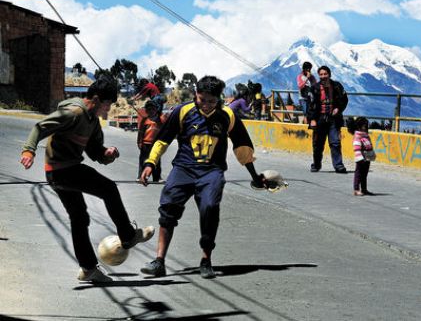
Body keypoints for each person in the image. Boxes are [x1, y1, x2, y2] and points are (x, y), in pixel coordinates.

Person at [20, 75, 155, 282]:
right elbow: (40, 127)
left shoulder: (93, 121)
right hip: (61, 171)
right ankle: (128, 236)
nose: (108, 110)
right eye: (108, 105)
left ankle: (88, 268)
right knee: (108, 189)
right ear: (98, 99)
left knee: (79, 218)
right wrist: (29, 150)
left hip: (64, 171)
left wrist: (107, 154)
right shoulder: (73, 112)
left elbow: (95, 152)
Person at [139, 75, 268, 279]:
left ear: (220, 98)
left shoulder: (227, 116)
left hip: (212, 172)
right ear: (195, 95)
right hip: (183, 169)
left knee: (209, 208)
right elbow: (163, 140)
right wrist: (150, 163)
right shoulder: (182, 111)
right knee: (168, 208)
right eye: (201, 99)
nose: (206, 105)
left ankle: (206, 259)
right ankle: (159, 261)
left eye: (211, 101)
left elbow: (242, 147)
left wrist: (254, 176)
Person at [308, 65, 348, 173]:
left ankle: (338, 165)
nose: (323, 76)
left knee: (335, 142)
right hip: (319, 119)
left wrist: (338, 109)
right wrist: (312, 119)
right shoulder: (314, 88)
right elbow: (310, 105)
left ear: (329, 74)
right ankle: (316, 164)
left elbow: (344, 100)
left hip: (333, 119)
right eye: (321, 74)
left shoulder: (337, 86)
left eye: (325, 74)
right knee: (318, 144)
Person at [137, 100, 169, 182]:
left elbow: (165, 128)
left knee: (156, 161)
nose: (150, 111)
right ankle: (140, 176)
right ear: (146, 110)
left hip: (156, 145)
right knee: (143, 161)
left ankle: (157, 178)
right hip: (145, 144)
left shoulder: (160, 120)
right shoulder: (145, 120)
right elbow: (140, 132)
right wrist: (139, 142)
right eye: (148, 109)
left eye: (153, 109)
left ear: (156, 110)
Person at [347, 117, 376, 196]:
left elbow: (369, 145)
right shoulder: (358, 136)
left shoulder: (366, 135)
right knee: (358, 174)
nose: (365, 127)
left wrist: (372, 154)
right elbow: (357, 148)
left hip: (367, 158)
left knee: (364, 174)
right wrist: (360, 158)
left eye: (366, 125)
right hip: (361, 158)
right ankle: (356, 189)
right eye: (364, 125)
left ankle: (364, 189)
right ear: (359, 126)